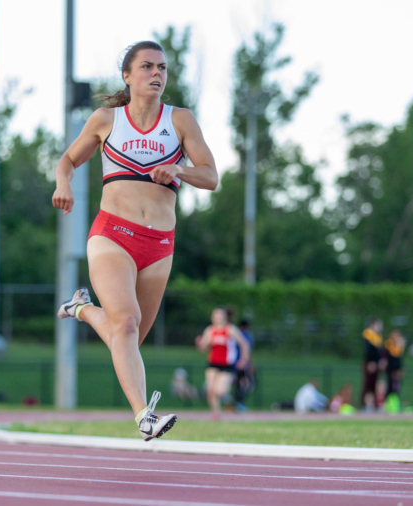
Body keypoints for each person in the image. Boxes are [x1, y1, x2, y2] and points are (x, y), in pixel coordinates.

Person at [53, 41, 218, 441]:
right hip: (113, 234)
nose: (157, 74)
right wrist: (64, 184)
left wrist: (178, 168)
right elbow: (68, 160)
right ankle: (144, 416)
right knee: (125, 324)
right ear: (127, 75)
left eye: (162, 68)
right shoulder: (107, 119)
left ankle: (82, 310)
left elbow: (211, 176)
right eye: (147, 67)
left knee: (126, 338)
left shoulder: (180, 120)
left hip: (159, 244)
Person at [196, 307, 251, 420]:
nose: (218, 317)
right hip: (213, 363)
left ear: (225, 317)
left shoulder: (230, 330)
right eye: (215, 315)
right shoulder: (210, 330)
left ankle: (228, 397)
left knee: (219, 391)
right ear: (212, 317)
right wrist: (199, 343)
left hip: (227, 365)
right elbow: (203, 348)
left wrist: (244, 360)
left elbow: (244, 344)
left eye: (220, 315)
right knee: (210, 390)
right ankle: (216, 415)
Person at [360, 318, 384, 411]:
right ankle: (365, 405)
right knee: (368, 385)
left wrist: (381, 360)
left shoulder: (378, 337)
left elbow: (379, 352)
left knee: (375, 385)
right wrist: (371, 361)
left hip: (376, 364)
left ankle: (374, 404)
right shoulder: (368, 334)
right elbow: (368, 350)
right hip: (370, 363)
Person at [233, 319, 256, 412]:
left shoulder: (234, 334)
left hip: (233, 364)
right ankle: (238, 402)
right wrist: (250, 363)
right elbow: (248, 350)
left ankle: (236, 402)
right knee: (250, 385)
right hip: (243, 364)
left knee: (239, 384)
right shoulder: (246, 335)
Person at [383, 329, 406, 413]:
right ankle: (388, 405)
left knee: (397, 387)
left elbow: (399, 359)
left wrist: (400, 369)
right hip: (390, 369)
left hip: (397, 369)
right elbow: (387, 358)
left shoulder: (399, 347)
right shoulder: (388, 345)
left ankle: (395, 404)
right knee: (389, 387)